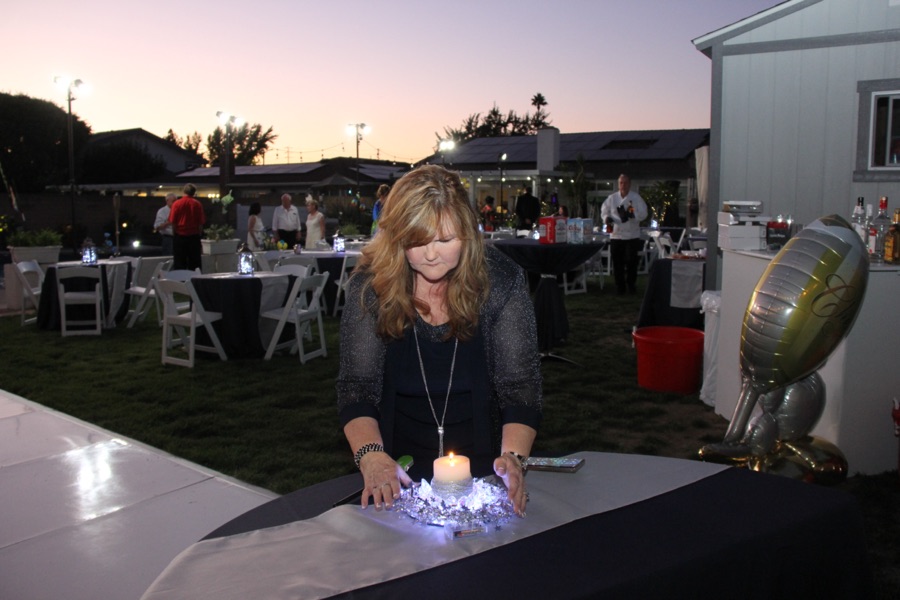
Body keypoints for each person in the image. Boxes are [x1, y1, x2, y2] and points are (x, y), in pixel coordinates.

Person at [336, 164, 542, 517]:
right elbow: (358, 388)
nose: (431, 254)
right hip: (395, 469)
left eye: (445, 240)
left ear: (468, 232)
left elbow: (520, 387)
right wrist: (371, 456)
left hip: (484, 464)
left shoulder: (501, 281)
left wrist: (513, 459)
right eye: (417, 241)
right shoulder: (370, 288)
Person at [600, 174, 648, 294]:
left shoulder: (636, 198)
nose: (623, 185)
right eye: (621, 183)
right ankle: (619, 286)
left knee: (631, 261)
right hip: (616, 234)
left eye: (625, 183)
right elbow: (604, 211)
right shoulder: (612, 198)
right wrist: (606, 218)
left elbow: (644, 213)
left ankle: (631, 285)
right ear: (618, 184)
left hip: (631, 234)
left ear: (630, 184)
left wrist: (633, 216)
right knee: (617, 262)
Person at [167, 183, 205, 271]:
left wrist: (174, 234)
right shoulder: (197, 204)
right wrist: (199, 235)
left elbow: (173, 222)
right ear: (194, 193)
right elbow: (200, 223)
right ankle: (194, 283)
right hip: (193, 237)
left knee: (179, 263)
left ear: (184, 191)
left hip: (180, 236)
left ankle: (180, 283)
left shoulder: (177, 204)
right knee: (195, 264)